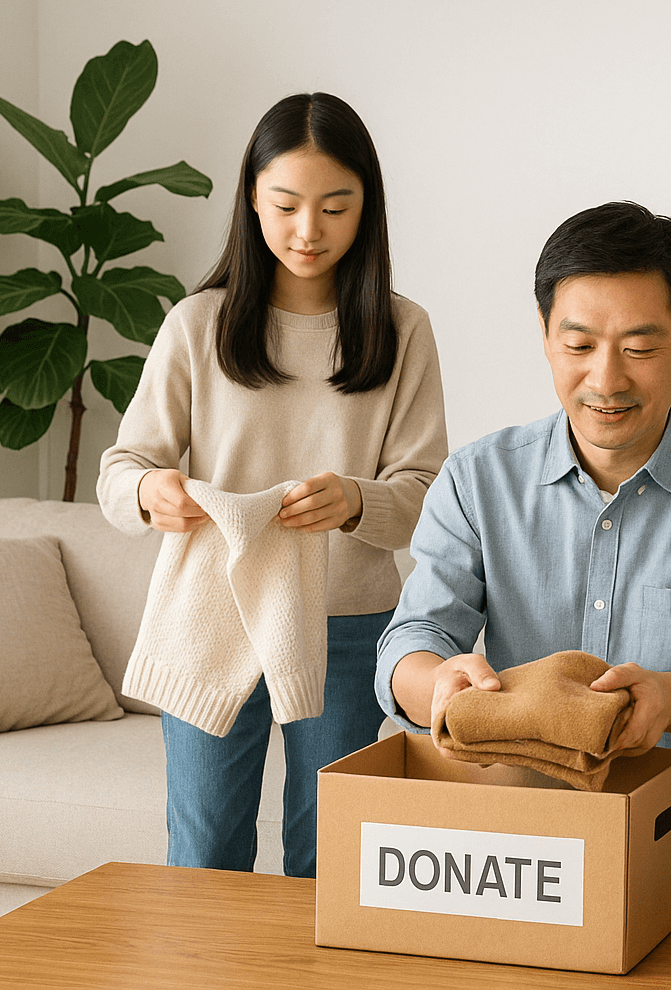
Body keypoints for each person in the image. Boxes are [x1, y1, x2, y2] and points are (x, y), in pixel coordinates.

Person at [376, 200, 671, 911]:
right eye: (578, 346)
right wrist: (439, 687)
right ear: (546, 338)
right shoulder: (476, 480)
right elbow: (412, 641)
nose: (606, 381)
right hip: (511, 832)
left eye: (640, 348)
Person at [98, 92, 448, 878]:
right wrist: (154, 491)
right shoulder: (198, 324)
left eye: (335, 207)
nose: (308, 231)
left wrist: (358, 501)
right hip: (211, 616)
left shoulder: (403, 330)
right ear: (251, 199)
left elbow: (427, 497)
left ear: (368, 209)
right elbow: (120, 471)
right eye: (285, 204)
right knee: (204, 852)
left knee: (332, 858)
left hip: (348, 625)